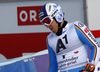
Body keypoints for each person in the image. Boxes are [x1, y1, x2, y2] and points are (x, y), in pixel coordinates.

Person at [39, 3, 100, 72]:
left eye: (48, 21)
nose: (47, 26)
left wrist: (89, 67)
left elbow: (95, 46)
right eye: (44, 23)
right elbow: (53, 66)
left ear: (57, 16)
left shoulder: (76, 27)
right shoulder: (49, 39)